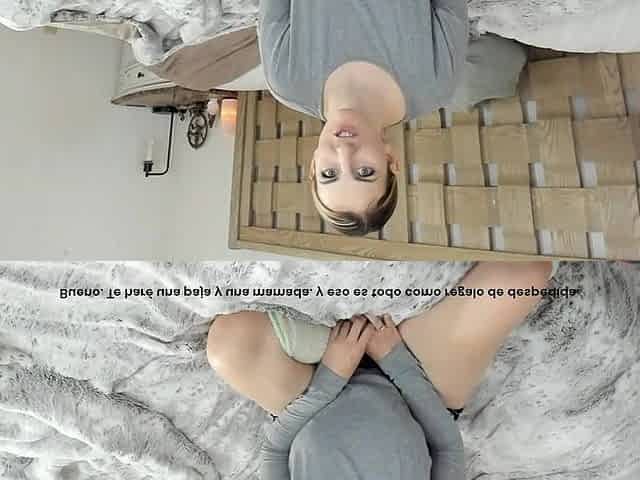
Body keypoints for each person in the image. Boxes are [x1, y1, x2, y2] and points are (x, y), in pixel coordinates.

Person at [207, 262, 553, 479]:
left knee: (227, 347)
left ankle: (349, 336)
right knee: (523, 275)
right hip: (419, 390)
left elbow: (275, 449)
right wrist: (396, 361)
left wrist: (331, 376)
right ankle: (370, 334)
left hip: (310, 393)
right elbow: (447, 447)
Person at [258, 1, 527, 235]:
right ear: (391, 160)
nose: (344, 152)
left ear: (313, 166)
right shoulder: (435, 83)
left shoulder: (286, 81)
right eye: (365, 172)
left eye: (329, 174)